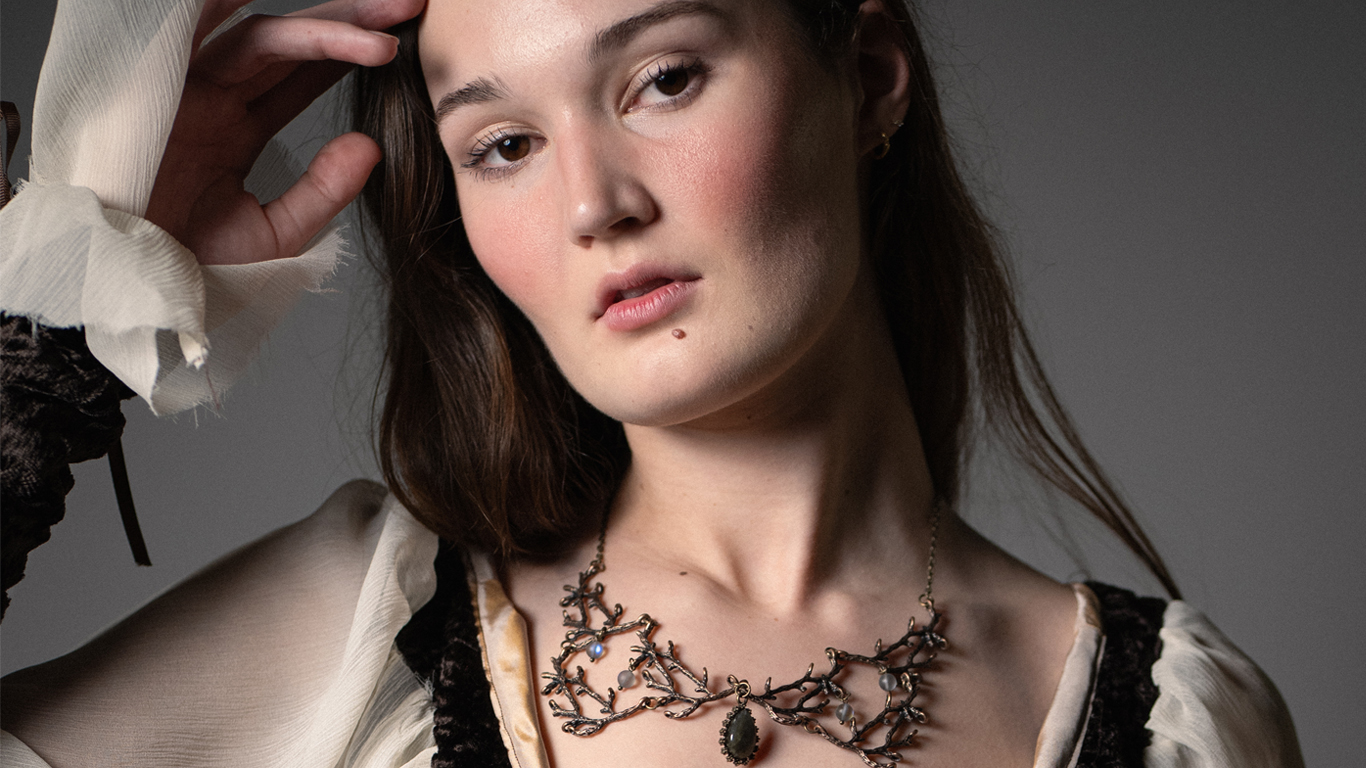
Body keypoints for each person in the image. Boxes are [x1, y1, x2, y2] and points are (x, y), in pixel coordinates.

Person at [0, 0, 1304, 766]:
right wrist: (54, 328)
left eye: (661, 80)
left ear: (865, 80)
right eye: (503, 144)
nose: (593, 204)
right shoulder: (354, 636)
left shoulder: (1173, 722)